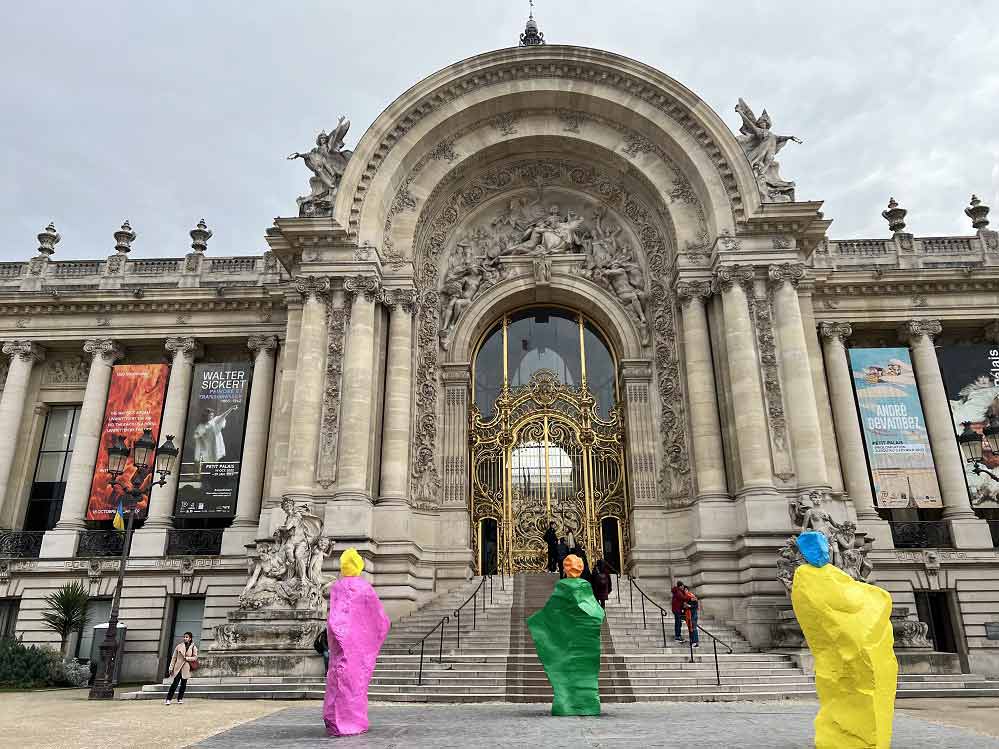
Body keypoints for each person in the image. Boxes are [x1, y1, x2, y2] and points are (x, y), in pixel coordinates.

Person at [164, 631, 198, 705]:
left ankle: (180, 698)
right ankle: (168, 699)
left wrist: (187, 658)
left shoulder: (193, 647)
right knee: (175, 684)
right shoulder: (179, 646)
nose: (185, 638)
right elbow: (174, 658)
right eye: (184, 637)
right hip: (177, 668)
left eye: (187, 637)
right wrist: (170, 667)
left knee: (183, 684)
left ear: (190, 638)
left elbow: (195, 657)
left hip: (186, 668)